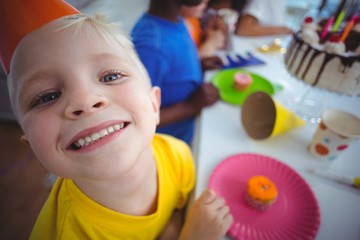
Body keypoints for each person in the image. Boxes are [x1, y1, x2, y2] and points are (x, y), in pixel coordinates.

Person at [0, 1, 232, 239]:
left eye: (111, 76)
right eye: (47, 96)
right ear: (32, 145)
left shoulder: (177, 155)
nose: (85, 100)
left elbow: (180, 206)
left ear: (154, 104)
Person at [131, 0, 222, 146]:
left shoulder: (175, 20)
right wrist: (190, 106)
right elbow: (137, 120)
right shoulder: (152, 47)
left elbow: (169, 69)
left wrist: (196, 67)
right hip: (171, 149)